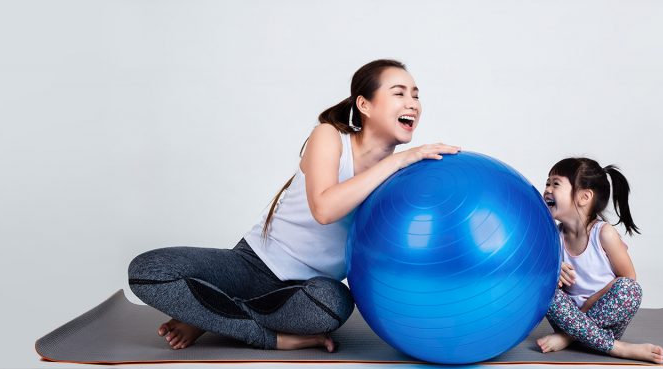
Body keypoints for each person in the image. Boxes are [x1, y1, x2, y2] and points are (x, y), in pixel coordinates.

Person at [127, 59, 460, 352]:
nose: (412, 103)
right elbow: (324, 209)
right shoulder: (330, 136)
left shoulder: (399, 178)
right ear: (365, 105)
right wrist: (398, 160)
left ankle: (210, 314)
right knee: (148, 272)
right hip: (251, 265)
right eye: (399, 93)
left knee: (334, 306)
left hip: (305, 291)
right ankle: (266, 336)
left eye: (416, 95)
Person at [536, 157, 663, 364]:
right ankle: (617, 348)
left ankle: (569, 338)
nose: (547, 190)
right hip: (566, 318)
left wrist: (580, 319)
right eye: (547, 183)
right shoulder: (553, 236)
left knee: (630, 289)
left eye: (555, 184)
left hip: (604, 322)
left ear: (584, 197)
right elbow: (538, 274)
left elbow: (628, 278)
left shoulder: (604, 233)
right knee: (543, 286)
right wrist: (554, 272)